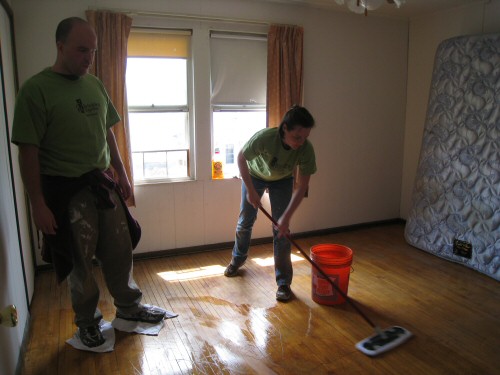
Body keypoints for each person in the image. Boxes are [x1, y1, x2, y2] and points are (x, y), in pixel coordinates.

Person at [11, 17, 166, 348]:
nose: (88, 58)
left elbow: (107, 132)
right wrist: (37, 203)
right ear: (60, 45)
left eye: (93, 51)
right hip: (67, 191)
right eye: (82, 50)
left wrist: (122, 174)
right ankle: (88, 322)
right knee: (79, 260)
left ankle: (129, 308)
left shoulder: (94, 84)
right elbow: (28, 152)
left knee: (120, 248)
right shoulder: (36, 90)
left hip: (102, 183)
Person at [224, 105, 317, 301]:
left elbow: (302, 187)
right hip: (255, 176)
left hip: (283, 180)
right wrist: (250, 190)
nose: (301, 143)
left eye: (305, 137)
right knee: (246, 221)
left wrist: (286, 217)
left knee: (282, 230)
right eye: (297, 137)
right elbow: (241, 158)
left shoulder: (306, 150)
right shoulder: (265, 138)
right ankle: (237, 260)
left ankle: (283, 283)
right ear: (285, 129)